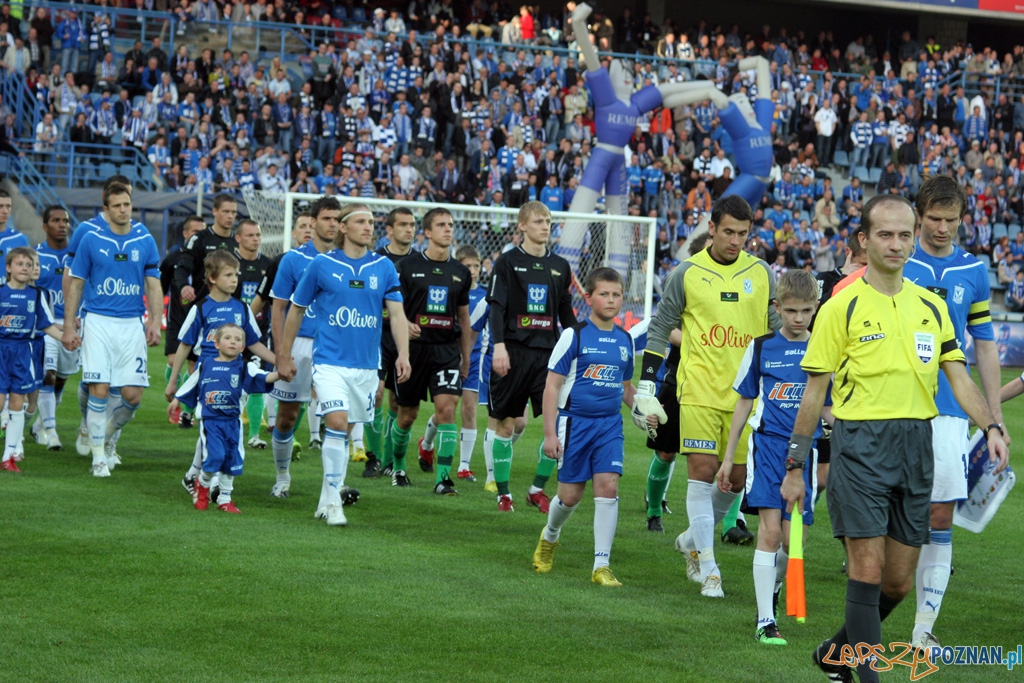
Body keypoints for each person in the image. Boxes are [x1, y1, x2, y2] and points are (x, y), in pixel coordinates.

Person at [782, 194, 1008, 683]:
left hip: (915, 447)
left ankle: (835, 652)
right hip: (860, 445)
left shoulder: (930, 306)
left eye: (905, 234)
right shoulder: (840, 306)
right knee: (865, 569)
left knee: (899, 582)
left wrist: (990, 424)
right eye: (885, 234)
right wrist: (795, 468)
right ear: (864, 240)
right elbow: (812, 395)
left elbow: (960, 379)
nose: (897, 243)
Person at [633, 195, 780, 598]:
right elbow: (660, 328)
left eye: (743, 234)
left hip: (745, 396)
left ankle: (690, 540)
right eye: (729, 231)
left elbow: (776, 327)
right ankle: (709, 567)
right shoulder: (686, 273)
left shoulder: (762, 272)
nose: (736, 241)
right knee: (700, 470)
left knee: (733, 480)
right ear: (711, 228)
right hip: (696, 388)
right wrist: (646, 385)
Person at [902, 176, 1007, 652]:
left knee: (939, 515)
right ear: (919, 215)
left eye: (952, 220)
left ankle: (924, 629)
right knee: (887, 516)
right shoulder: (899, 260)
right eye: (935, 219)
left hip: (949, 409)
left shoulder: (974, 270)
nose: (943, 228)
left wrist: (994, 417)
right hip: (893, 407)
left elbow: (984, 347)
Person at [716, 269, 831, 646]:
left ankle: (776, 589)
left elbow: (830, 408)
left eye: (807, 311)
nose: (799, 319)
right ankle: (765, 619)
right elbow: (744, 401)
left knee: (792, 541)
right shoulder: (762, 347)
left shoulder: (824, 347)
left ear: (816, 309)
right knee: (767, 533)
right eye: (792, 311)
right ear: (777, 308)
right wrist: (728, 456)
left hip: (806, 453)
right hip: (766, 449)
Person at [280, 203, 410, 526]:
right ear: (343, 227)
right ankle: (335, 502)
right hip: (330, 362)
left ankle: (325, 498)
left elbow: (396, 314)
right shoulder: (322, 265)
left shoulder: (384, 267)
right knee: (336, 423)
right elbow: (295, 309)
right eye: (361, 221)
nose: (369, 227)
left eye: (371, 222)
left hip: (366, 365)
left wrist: (404, 354)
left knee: (346, 428)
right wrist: (284, 354)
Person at [531, 267, 644, 587]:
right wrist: (550, 434)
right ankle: (550, 536)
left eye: (617, 294)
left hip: (609, 426)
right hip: (574, 424)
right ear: (589, 297)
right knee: (570, 496)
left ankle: (602, 566)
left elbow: (625, 387)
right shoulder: (574, 335)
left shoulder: (624, 340)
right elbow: (552, 386)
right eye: (604, 294)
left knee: (608, 487)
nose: (611, 300)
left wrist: (643, 410)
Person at [62, 183, 162, 478]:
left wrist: (154, 321)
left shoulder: (144, 238)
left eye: (127, 205)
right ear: (105, 209)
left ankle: (103, 437)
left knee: (132, 396)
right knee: (100, 389)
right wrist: (69, 325)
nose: (123, 210)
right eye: (116, 205)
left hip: (131, 323)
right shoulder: (91, 238)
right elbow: (76, 284)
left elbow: (153, 284)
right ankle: (97, 459)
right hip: (98, 321)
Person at [486, 201, 576, 512]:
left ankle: (537, 488)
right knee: (507, 424)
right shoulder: (507, 262)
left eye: (548, 221)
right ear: (522, 226)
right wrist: (498, 346)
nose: (545, 226)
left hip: (549, 358)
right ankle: (504, 493)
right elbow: (496, 307)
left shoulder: (560, 266)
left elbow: (566, 313)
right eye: (538, 221)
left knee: (559, 423)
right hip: (512, 352)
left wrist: (582, 341)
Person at [165, 250, 275, 496]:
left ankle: (195, 475)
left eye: (235, 274)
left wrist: (278, 361)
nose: (234, 279)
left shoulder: (242, 309)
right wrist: (173, 381)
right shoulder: (201, 308)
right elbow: (184, 344)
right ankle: (213, 484)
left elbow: (254, 342)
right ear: (212, 278)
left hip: (233, 377)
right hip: (208, 375)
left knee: (220, 426)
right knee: (211, 424)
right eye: (228, 275)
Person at [386, 208, 473, 494]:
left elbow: (463, 317)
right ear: (427, 233)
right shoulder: (407, 267)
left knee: (448, 410)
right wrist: (406, 325)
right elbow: (390, 308)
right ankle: (398, 467)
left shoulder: (461, 272)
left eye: (450, 224)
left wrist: (466, 356)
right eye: (441, 225)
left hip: (446, 350)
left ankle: (443, 478)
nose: (448, 229)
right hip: (413, 351)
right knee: (406, 414)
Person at [267, 197, 340, 500]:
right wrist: (281, 354)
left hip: (334, 346)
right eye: (326, 218)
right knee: (287, 416)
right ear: (312, 222)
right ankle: (282, 475)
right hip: (297, 344)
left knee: (339, 417)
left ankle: (334, 486)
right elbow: (279, 308)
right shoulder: (293, 260)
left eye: (337, 219)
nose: (332, 224)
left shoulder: (347, 261)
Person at [643, 231, 710, 533]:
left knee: (717, 459)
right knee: (666, 451)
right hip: (678, 377)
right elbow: (663, 327)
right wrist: (699, 344)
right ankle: (654, 510)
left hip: (715, 381)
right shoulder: (682, 280)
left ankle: (730, 522)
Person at [175, 323, 280, 513]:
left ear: (242, 347)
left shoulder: (245, 367)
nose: (233, 341)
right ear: (216, 344)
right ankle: (203, 484)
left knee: (231, 461)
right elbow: (191, 386)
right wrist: (176, 401)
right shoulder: (206, 364)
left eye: (238, 339)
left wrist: (281, 374)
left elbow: (263, 377)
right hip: (211, 421)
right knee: (215, 455)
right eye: (228, 338)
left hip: (233, 422)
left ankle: (225, 499)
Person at [416, 244, 488, 483]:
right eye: (467, 266)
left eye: (476, 266)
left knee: (469, 409)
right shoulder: (452, 291)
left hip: (476, 358)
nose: (473, 270)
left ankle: (464, 466)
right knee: (446, 410)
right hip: (448, 353)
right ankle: (426, 443)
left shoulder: (487, 295)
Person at [0, 248, 62, 473]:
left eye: (29, 264)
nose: (25, 268)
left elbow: (46, 324)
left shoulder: (36, 296)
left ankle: (9, 456)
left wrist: (65, 338)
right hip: (1, 349)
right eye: (20, 264)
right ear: (8, 268)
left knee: (18, 403)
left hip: (23, 351)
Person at [373, 208, 417, 480]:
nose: (409, 229)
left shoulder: (418, 261)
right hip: (378, 337)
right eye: (403, 225)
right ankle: (373, 457)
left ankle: (389, 460)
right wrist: (396, 318)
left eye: (412, 225)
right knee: (375, 395)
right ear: (389, 230)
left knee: (397, 401)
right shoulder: (377, 260)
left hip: (405, 340)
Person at [32, 206, 75, 450]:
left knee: (61, 379)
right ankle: (51, 432)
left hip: (72, 325)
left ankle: (40, 424)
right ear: (45, 226)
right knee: (48, 375)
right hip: (46, 326)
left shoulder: (77, 255)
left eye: (65, 221)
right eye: (56, 220)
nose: (62, 225)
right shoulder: (36, 256)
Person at [160, 215, 206, 426]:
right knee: (172, 361)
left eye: (202, 231)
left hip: (196, 317)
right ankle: (174, 399)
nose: (199, 236)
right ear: (186, 234)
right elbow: (161, 287)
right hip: (176, 317)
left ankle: (185, 412)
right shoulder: (171, 259)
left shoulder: (208, 257)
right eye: (195, 232)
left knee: (194, 366)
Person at [232, 219, 272, 447]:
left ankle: (254, 435)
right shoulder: (228, 263)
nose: (255, 239)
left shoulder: (267, 265)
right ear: (238, 238)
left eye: (257, 235)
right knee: (232, 383)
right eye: (250, 235)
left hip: (257, 334)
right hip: (230, 335)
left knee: (257, 380)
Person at [172, 193, 238, 311]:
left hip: (233, 306)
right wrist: (183, 286)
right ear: (214, 211)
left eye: (233, 212)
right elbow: (182, 267)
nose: (230, 216)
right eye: (226, 211)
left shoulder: (238, 241)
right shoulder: (199, 239)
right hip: (204, 306)